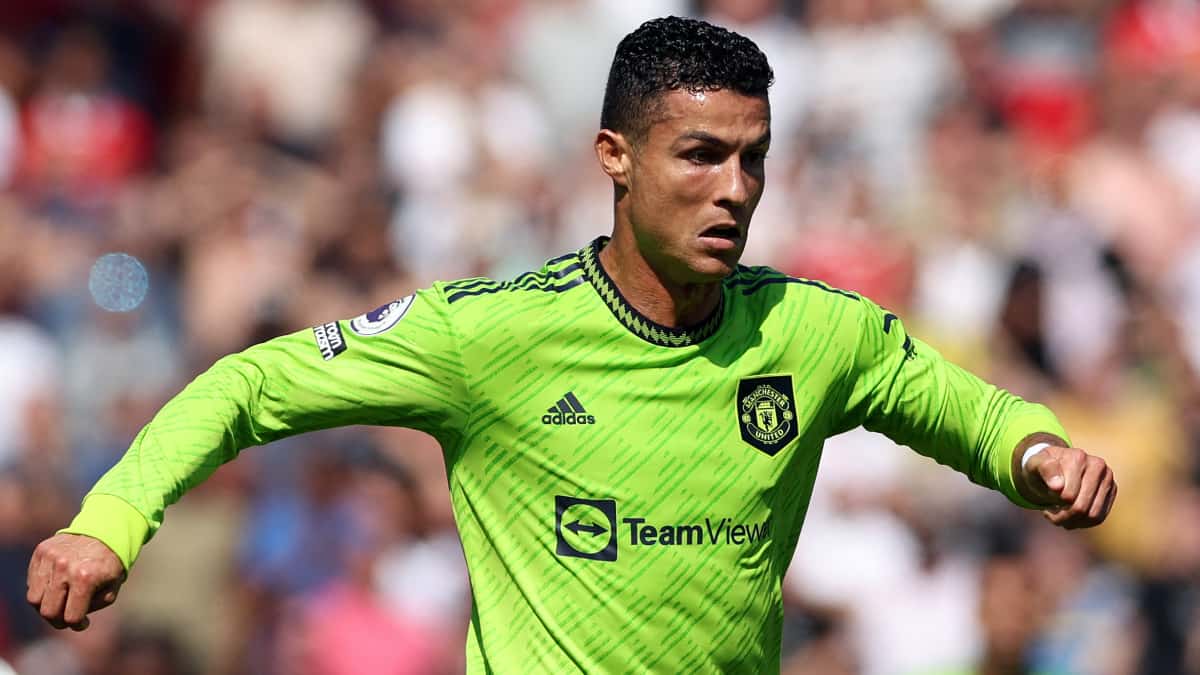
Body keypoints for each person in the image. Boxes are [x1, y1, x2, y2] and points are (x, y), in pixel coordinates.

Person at [27, 16, 1116, 673]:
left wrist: (1038, 452)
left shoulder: (812, 330)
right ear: (616, 157)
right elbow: (249, 382)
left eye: (754, 159)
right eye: (699, 155)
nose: (734, 190)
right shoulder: (492, 335)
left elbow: (966, 409)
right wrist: (111, 523)